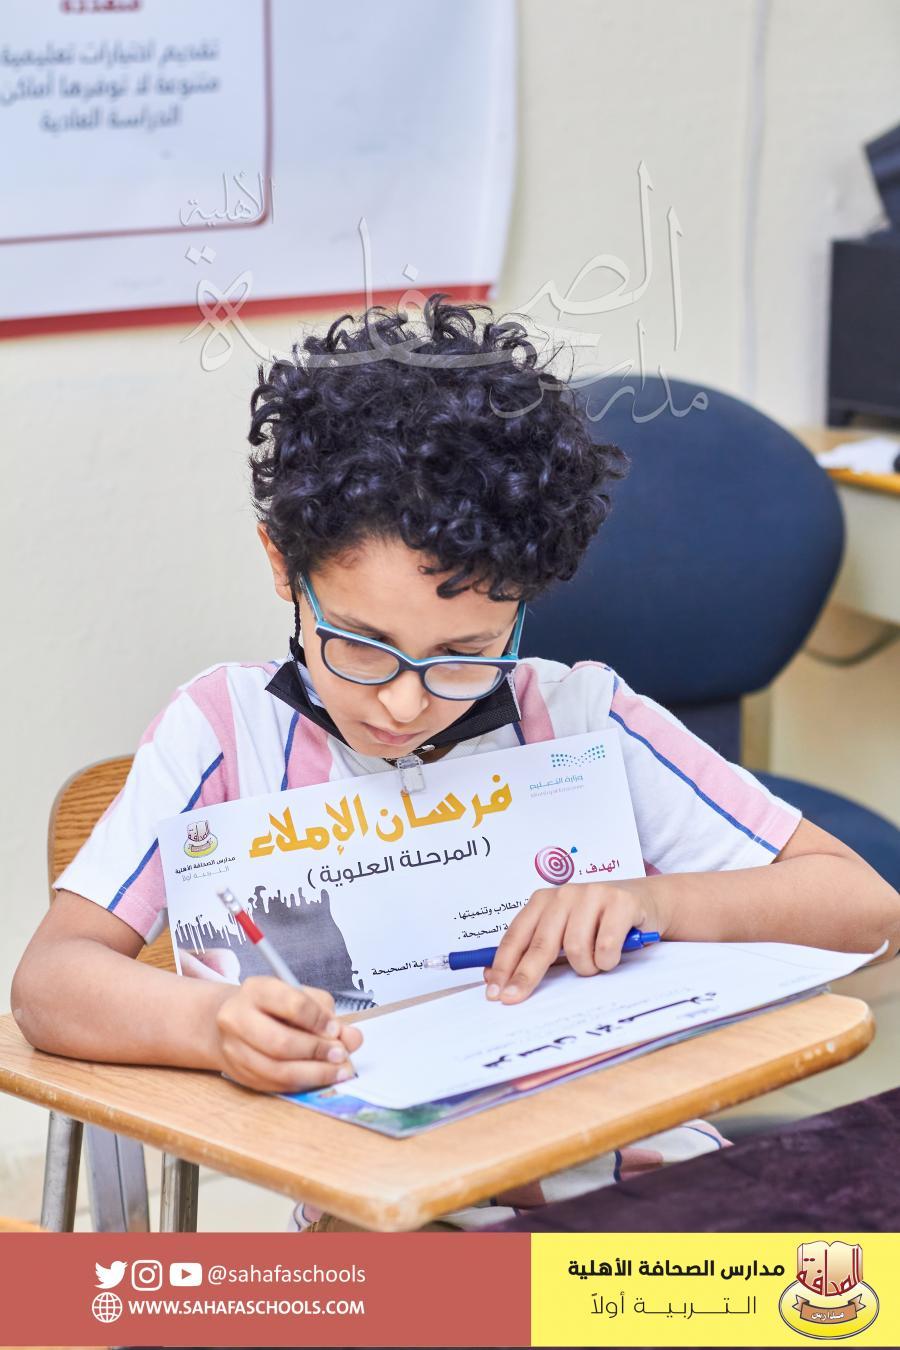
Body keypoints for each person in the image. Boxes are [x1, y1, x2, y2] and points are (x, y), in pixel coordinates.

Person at [11, 295, 899, 1233]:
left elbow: (866, 910)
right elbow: (51, 982)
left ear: (524, 605)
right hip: (400, 1216)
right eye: (361, 645)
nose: (404, 702)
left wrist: (655, 903)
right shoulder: (224, 733)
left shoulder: (582, 719)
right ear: (282, 565)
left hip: (644, 1185)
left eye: (465, 653)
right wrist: (211, 1028)